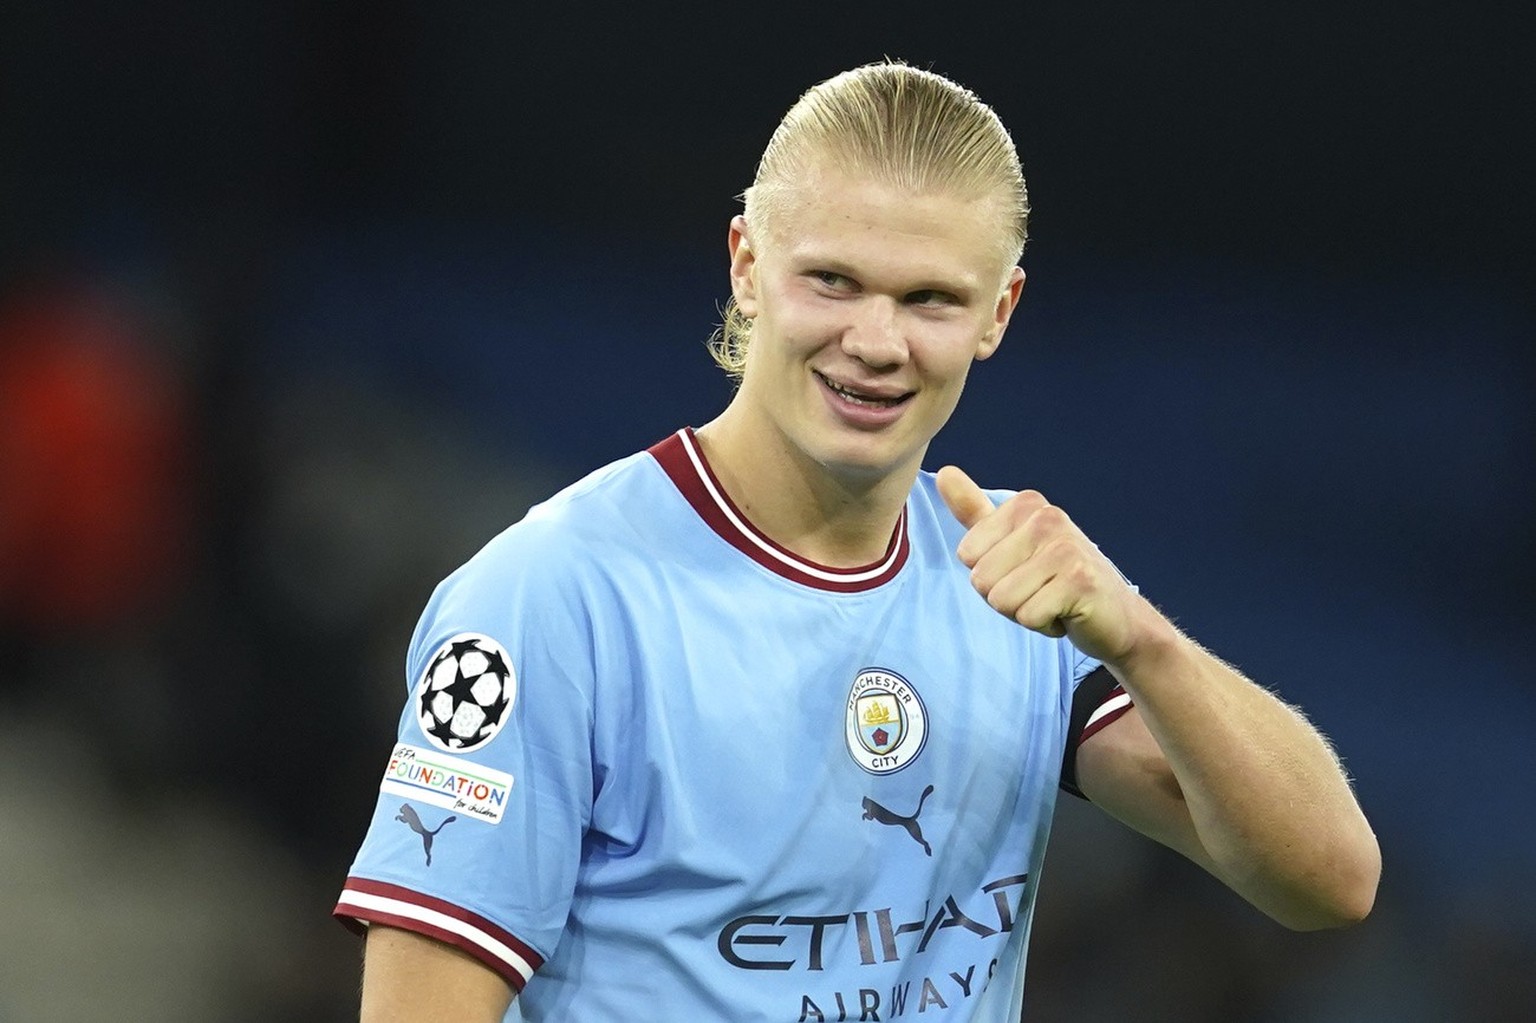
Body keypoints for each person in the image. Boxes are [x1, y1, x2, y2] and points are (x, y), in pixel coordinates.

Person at [334, 61, 1380, 1021]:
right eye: (832, 281)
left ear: (999, 312)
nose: (877, 343)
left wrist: (1140, 639)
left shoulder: (1011, 580)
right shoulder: (552, 598)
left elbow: (1328, 881)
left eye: (930, 298)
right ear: (747, 264)